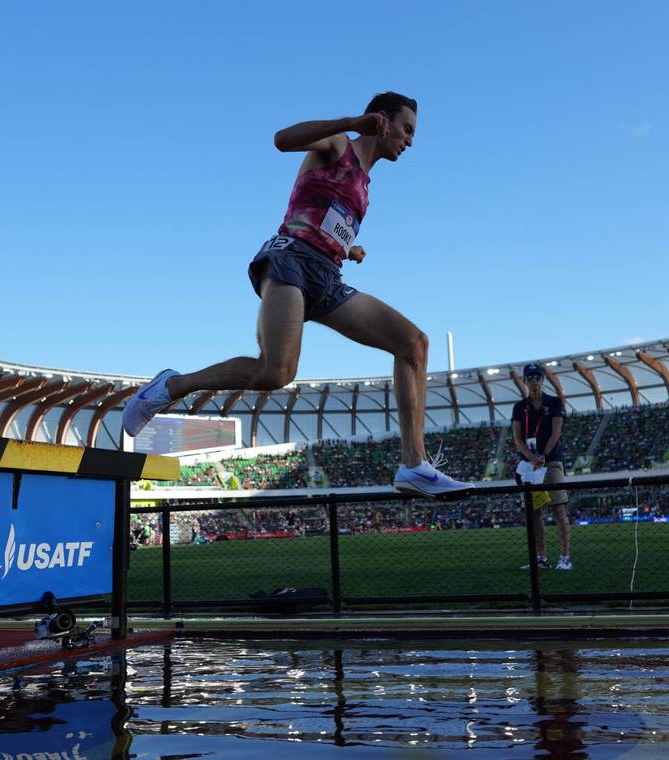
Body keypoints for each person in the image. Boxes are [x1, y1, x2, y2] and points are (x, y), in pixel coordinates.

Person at [123, 93, 471, 496]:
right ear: (383, 120)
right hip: (291, 260)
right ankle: (173, 386)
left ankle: (414, 465)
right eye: (407, 129)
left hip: (328, 276)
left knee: (413, 343)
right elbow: (282, 139)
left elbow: (328, 219)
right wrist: (352, 122)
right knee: (277, 372)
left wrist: (347, 247)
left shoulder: (366, 183)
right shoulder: (339, 143)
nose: (409, 141)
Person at [512, 363, 572, 570]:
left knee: (558, 510)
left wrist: (543, 456)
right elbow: (517, 438)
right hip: (530, 466)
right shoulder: (520, 407)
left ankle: (565, 557)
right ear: (524, 380)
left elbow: (557, 432)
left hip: (551, 461)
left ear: (543, 379)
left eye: (538, 376)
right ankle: (541, 558)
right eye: (530, 377)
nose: (534, 380)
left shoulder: (554, 402)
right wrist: (531, 457)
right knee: (535, 512)